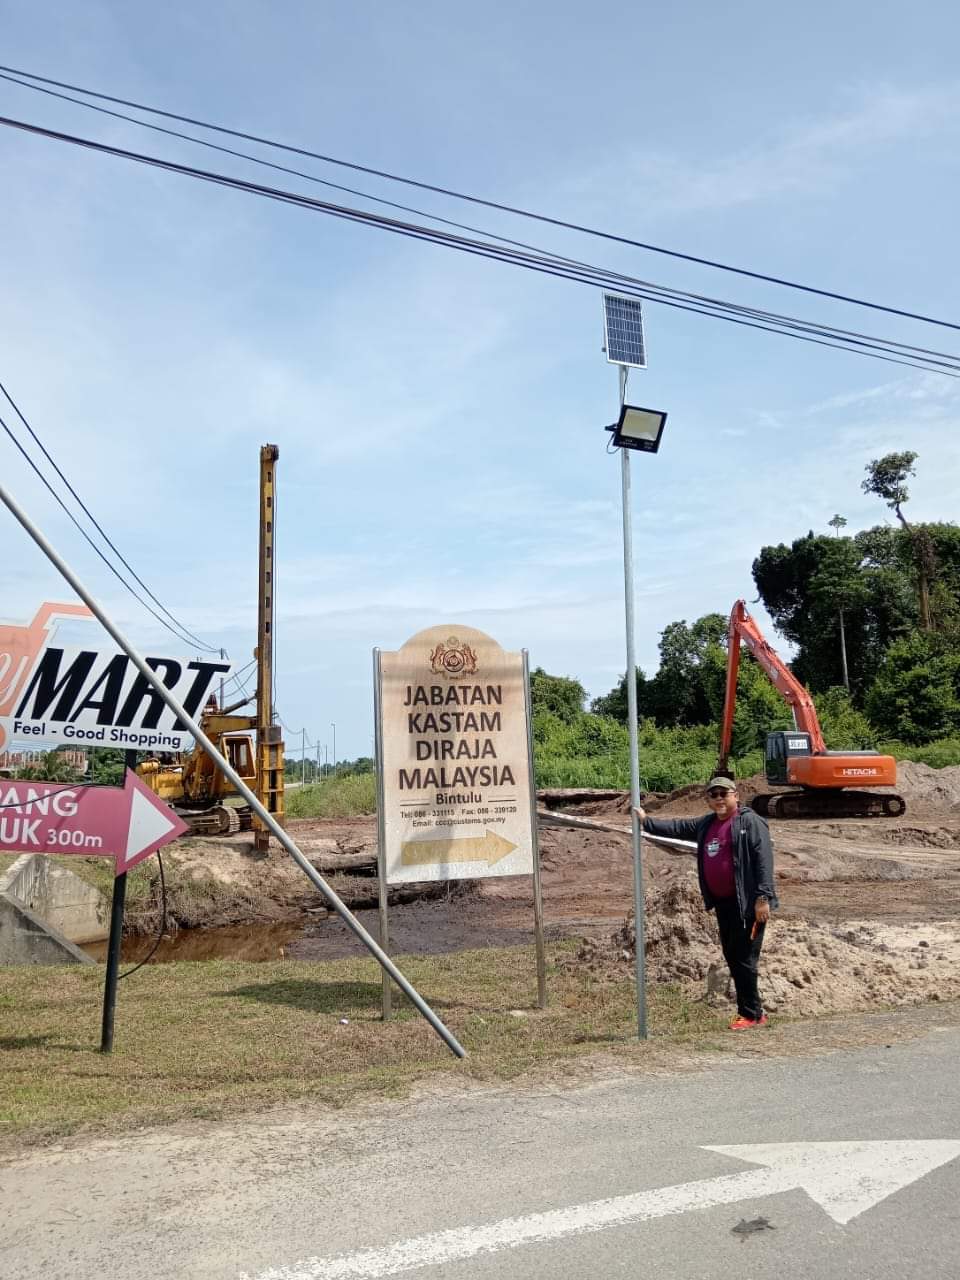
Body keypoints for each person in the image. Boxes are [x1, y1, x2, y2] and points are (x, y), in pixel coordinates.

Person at [634, 776, 777, 1029]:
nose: (719, 799)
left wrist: (763, 897)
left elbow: (763, 860)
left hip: (747, 904)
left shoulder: (749, 822)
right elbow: (678, 827)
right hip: (723, 903)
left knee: (744, 957)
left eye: (724, 794)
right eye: (714, 795)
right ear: (708, 800)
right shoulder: (707, 823)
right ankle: (754, 1012)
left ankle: (750, 1014)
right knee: (732, 954)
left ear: (736, 796)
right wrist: (647, 821)